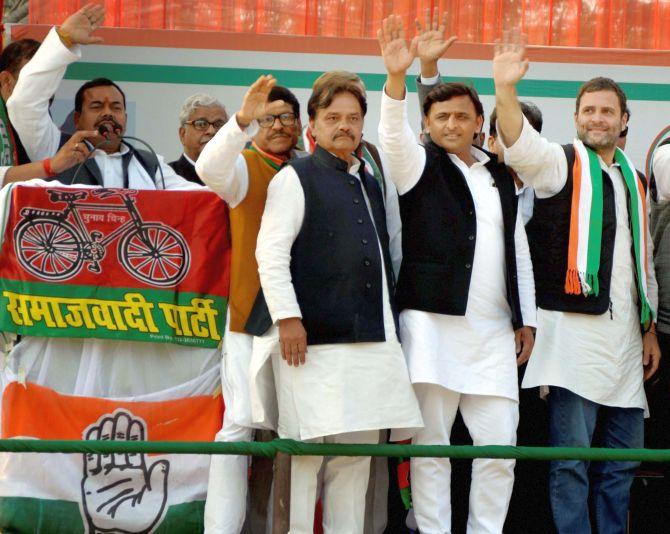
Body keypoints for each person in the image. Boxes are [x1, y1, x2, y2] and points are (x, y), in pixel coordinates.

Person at [493, 31, 660, 534]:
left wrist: (649, 330)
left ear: (624, 121)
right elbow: (520, 146)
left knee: (621, 465)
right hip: (571, 342)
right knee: (570, 462)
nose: (596, 119)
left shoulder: (634, 178)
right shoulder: (561, 164)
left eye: (607, 111)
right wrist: (504, 91)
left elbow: (642, 265)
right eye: (588, 110)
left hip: (627, 346)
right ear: (576, 117)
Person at [378, 15, 536, 534]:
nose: (451, 124)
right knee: (432, 450)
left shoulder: (498, 173)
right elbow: (390, 136)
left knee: (499, 450)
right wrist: (400, 80)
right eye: (441, 116)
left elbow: (517, 250)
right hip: (431, 327)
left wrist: (526, 319)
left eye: (461, 117)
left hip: (493, 332)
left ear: (476, 122)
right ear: (428, 123)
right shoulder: (417, 165)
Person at [250, 71, 423, 534]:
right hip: (310, 346)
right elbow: (270, 253)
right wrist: (288, 319)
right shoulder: (295, 176)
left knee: (354, 464)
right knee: (304, 460)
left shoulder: (367, 179)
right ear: (313, 122)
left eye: (352, 118)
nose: (343, 126)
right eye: (333, 117)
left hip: (370, 345)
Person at [195, 75, 304, 534]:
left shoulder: (311, 169)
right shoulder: (243, 167)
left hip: (305, 323)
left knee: (297, 433)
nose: (278, 125)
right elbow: (209, 169)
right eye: (268, 118)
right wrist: (241, 120)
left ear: (301, 125)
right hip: (249, 321)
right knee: (239, 427)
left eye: (286, 118)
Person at [7, 3, 196, 190]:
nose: (108, 113)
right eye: (96, 106)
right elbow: (24, 104)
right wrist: (64, 40)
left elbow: (197, 198)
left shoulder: (149, 164)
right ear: (77, 119)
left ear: (125, 118)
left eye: (116, 107)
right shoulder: (54, 148)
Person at [170, 93, 228, 184]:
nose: (211, 131)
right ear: (183, 134)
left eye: (218, 124)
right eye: (201, 124)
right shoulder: (166, 177)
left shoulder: (237, 177)